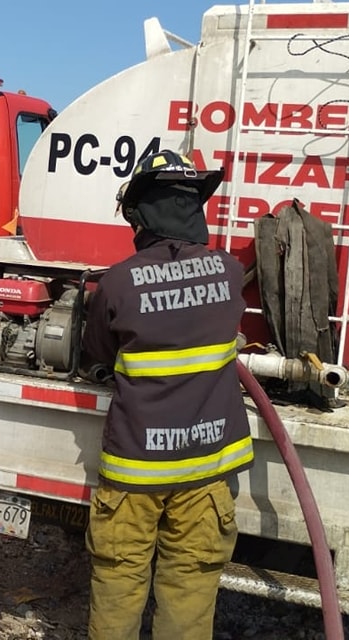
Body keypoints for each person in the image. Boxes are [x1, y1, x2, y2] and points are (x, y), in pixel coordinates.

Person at [81, 150, 254, 640]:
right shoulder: (227, 272)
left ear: (141, 214)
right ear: (193, 209)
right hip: (205, 466)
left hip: (135, 468)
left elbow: (96, 357)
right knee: (190, 584)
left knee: (118, 577)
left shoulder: (116, 282)